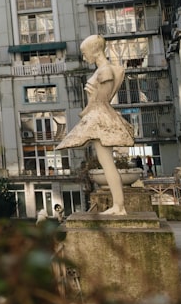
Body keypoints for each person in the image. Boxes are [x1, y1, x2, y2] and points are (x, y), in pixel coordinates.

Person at [58, 34, 135, 215]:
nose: (84, 57)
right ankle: (118, 205)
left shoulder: (105, 72)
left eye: (85, 53)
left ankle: (119, 206)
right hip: (97, 117)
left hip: (101, 119)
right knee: (106, 162)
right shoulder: (102, 71)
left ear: (95, 51)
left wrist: (89, 104)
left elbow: (100, 102)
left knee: (107, 163)